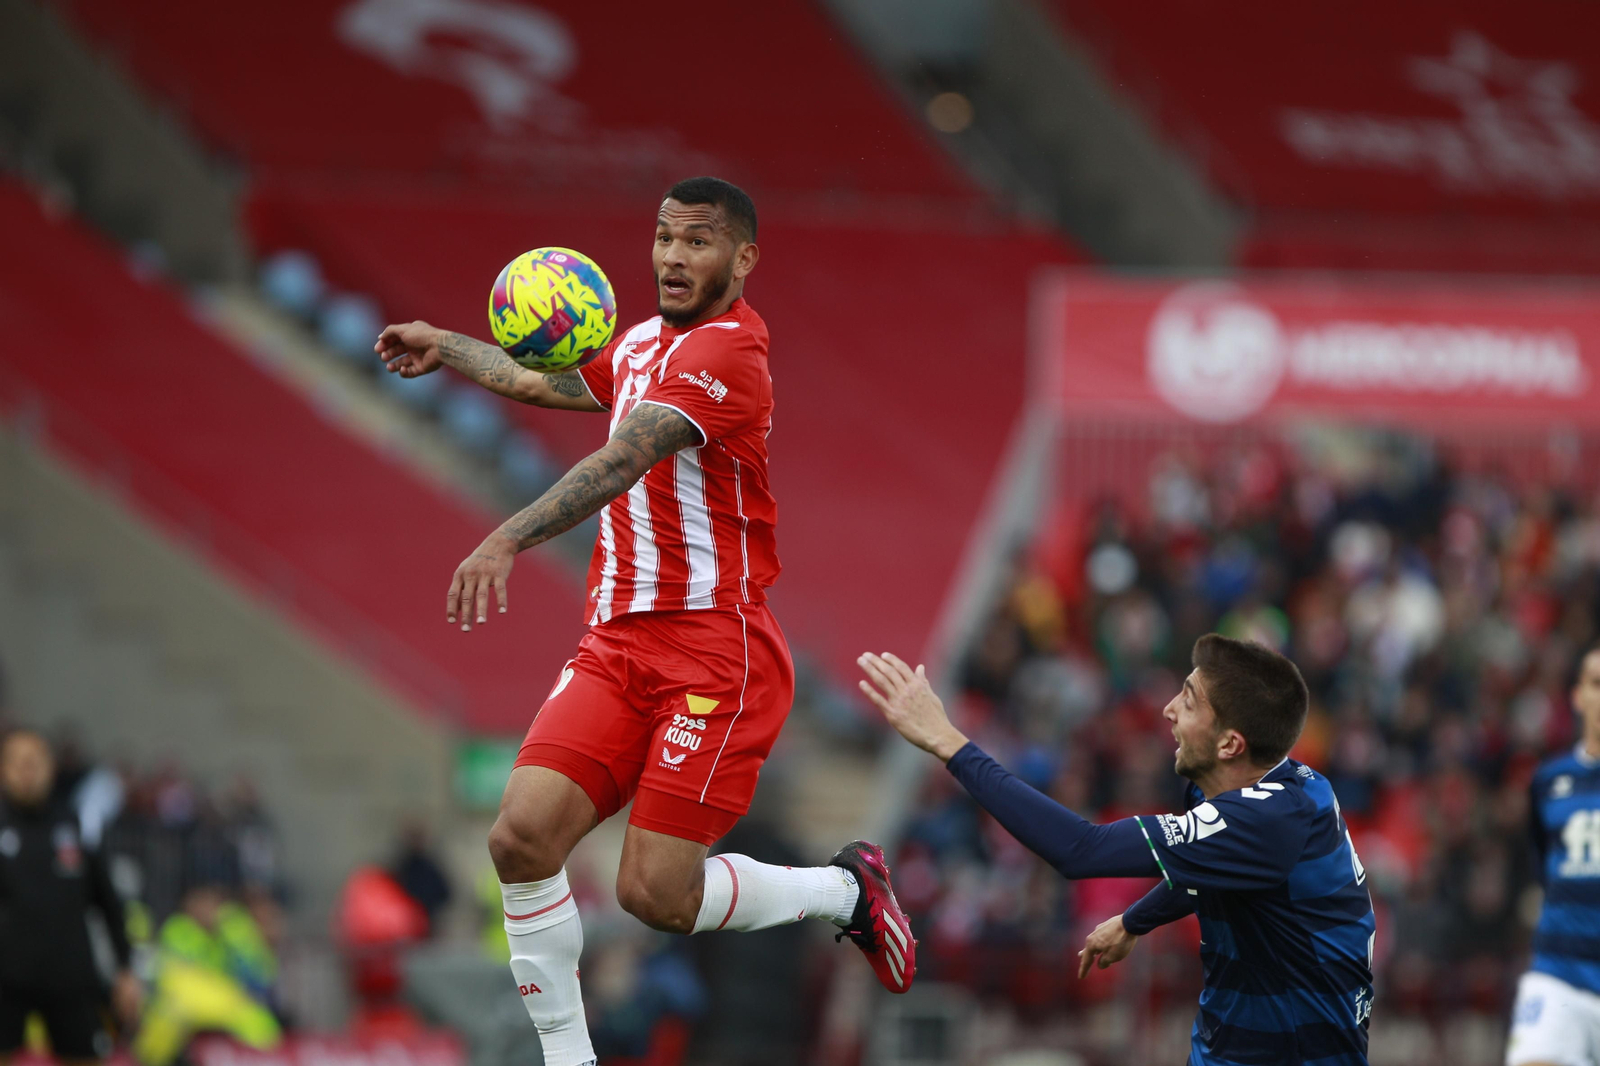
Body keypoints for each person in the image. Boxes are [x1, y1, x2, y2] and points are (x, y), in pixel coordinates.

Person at [375, 176, 914, 1066]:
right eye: (664, 237)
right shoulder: (640, 345)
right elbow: (546, 382)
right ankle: (568, 1060)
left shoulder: (732, 355)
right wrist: (450, 346)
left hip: (712, 651)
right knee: (518, 838)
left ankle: (844, 890)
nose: (671, 256)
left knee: (654, 896)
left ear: (742, 260)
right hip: (616, 643)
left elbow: (626, 455)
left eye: (697, 241)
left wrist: (506, 537)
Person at [860, 635, 1376, 1066]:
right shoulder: (1265, 792)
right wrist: (1136, 920)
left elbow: (1081, 850)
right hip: (1230, 1048)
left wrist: (950, 743)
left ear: (1230, 744)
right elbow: (1218, 864)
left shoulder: (1267, 820)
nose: (1169, 710)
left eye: (1190, 701)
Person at [0, 729, 142, 1065]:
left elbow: (109, 903)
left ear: (50, 767)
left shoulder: (77, 826)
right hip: (6, 977)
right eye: (18, 762)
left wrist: (126, 970)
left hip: (69, 975)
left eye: (35, 761)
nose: (27, 771)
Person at [1506, 641, 1600, 1066]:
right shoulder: (1549, 781)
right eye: (1597, 684)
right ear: (1578, 696)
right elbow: (1543, 865)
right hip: (1559, 971)